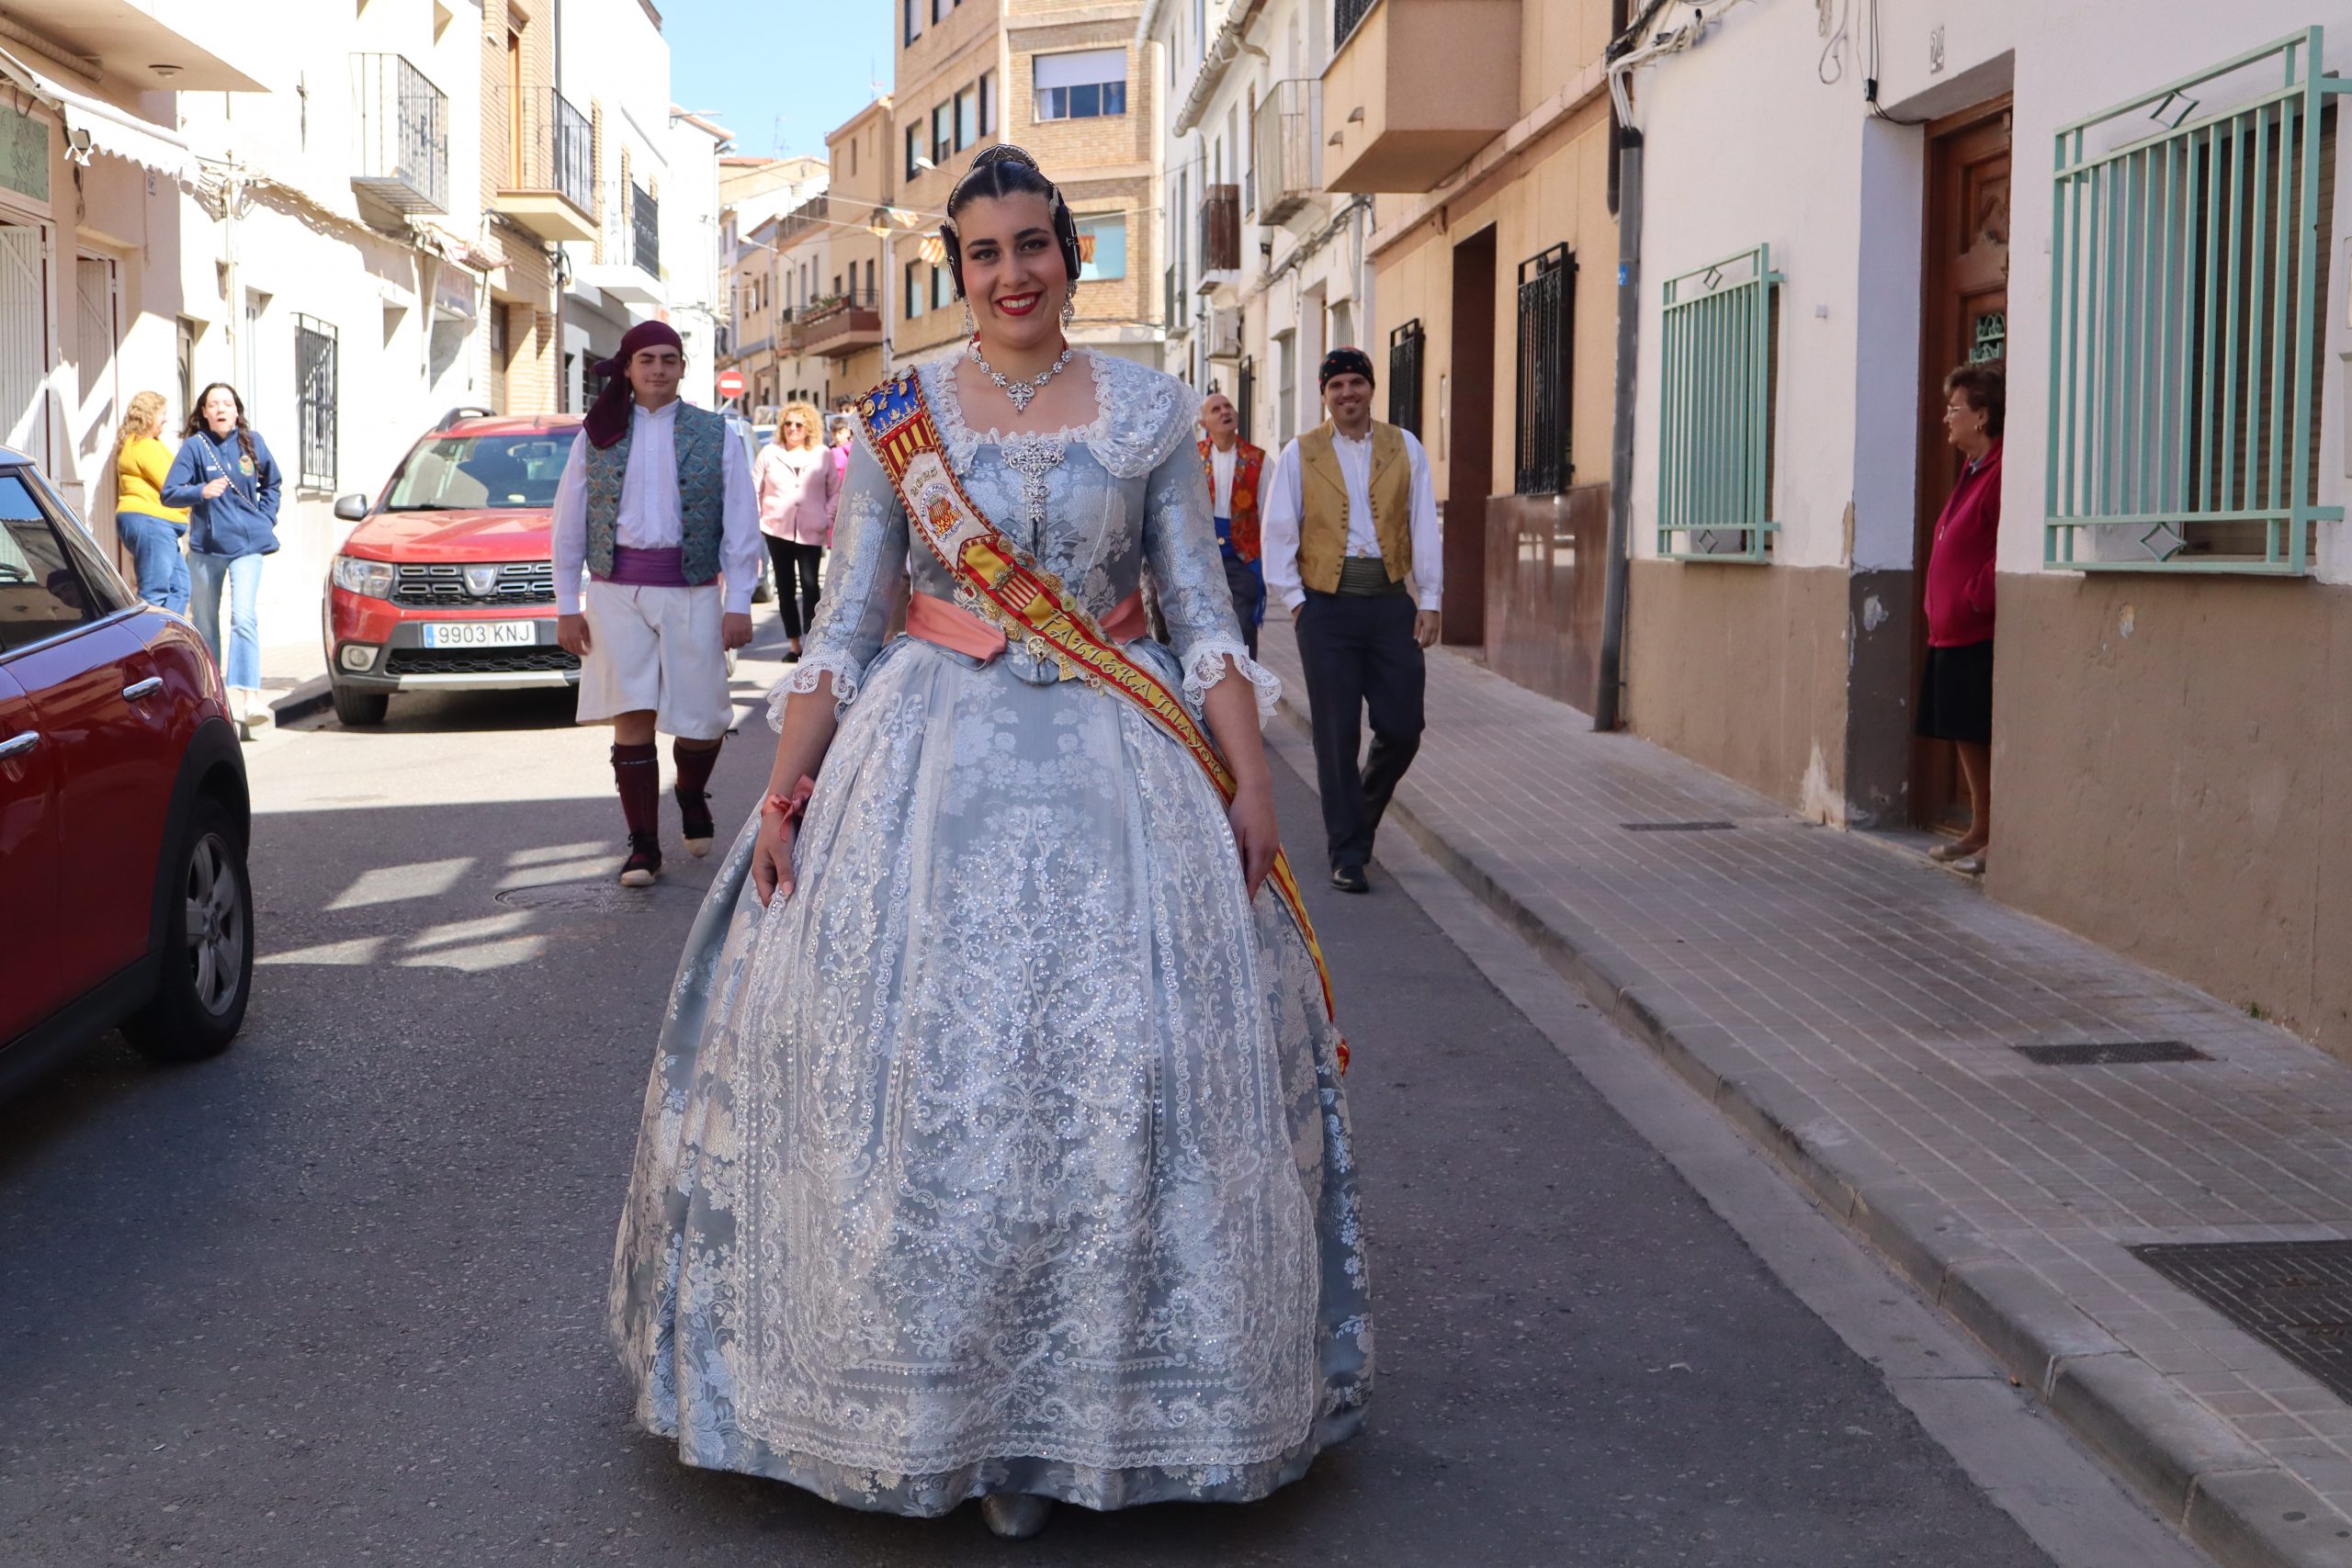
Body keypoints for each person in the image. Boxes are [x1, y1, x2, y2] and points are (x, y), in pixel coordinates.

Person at [608, 144, 1368, 1542]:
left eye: (1032, 244)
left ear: (1071, 253)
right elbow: (850, 619)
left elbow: (1199, 609)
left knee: (1131, 1065)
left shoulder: (1149, 411)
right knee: (908, 1066)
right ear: (954, 272)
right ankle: (929, 1409)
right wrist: (783, 793)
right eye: (982, 253)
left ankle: (1099, 1408)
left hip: (1121, 755)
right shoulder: (901, 417)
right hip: (924, 755)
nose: (1011, 273)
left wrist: (1254, 784)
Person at [553, 321, 762, 888]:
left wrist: (740, 600)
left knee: (704, 719)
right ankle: (643, 845)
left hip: (692, 589)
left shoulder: (715, 434)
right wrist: (567, 603)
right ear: (627, 367)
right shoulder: (596, 435)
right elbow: (569, 522)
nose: (658, 369)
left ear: (683, 368)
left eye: (669, 359)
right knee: (633, 712)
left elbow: (741, 521)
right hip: (615, 591)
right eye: (646, 359)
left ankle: (690, 792)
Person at [1260, 347, 1442, 895]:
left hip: (1389, 605)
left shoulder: (1405, 447)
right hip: (1326, 610)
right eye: (1336, 385)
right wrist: (1296, 602)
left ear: (1371, 389)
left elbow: (1422, 522)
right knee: (1336, 735)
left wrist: (1430, 598)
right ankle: (1348, 852)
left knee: (1403, 727)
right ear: (1324, 394)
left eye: (1356, 383)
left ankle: (1357, 817)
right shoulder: (1300, 452)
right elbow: (1279, 529)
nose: (1347, 394)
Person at [1919, 365, 2003, 876]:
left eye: (1955, 409)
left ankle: (1998, 837)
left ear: (1983, 416)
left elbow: (2004, 549)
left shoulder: (2000, 471)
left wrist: (1972, 598)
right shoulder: (1972, 470)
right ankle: (1980, 828)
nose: (1947, 418)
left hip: (1977, 630)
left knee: (1984, 731)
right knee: (1963, 732)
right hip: (1950, 632)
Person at [164, 383, 281, 739]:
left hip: (248, 545)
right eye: (213, 404)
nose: (221, 409)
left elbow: (272, 483)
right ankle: (215, 699)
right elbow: (169, 493)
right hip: (207, 547)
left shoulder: (252, 442)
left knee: (244, 616)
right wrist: (200, 491)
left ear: (236, 410)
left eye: (227, 403)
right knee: (204, 622)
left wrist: (266, 518)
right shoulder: (195, 447)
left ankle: (250, 698)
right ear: (203, 412)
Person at [752, 400, 837, 660]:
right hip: (776, 528)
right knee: (785, 587)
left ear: (809, 427)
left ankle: (812, 642)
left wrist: (826, 516)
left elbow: (836, 490)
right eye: (788, 423)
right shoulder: (769, 453)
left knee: (811, 586)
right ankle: (794, 645)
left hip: (811, 528)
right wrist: (757, 521)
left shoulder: (822, 453)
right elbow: (754, 488)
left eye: (799, 424)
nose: (793, 428)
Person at [1199, 390, 1268, 658]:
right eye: (1216, 410)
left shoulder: (1259, 459)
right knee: (1203, 631)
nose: (1224, 412)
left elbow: (1270, 515)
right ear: (1203, 423)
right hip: (1202, 560)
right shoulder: (1192, 459)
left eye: (1228, 406)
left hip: (1243, 560)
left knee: (1243, 629)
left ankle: (1246, 682)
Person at [112, 390, 189, 615]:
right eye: (162, 413)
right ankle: (149, 635)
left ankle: (167, 632)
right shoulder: (143, 445)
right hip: (153, 522)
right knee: (154, 593)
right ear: (148, 414)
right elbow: (172, 483)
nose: (166, 419)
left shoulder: (140, 443)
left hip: (156, 524)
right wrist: (197, 493)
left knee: (180, 589)